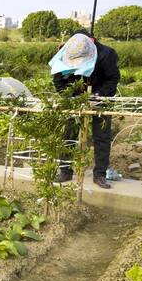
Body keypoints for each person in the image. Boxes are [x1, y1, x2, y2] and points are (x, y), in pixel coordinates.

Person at [50, 30, 120, 189]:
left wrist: (98, 95)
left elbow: (113, 79)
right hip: (75, 97)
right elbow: (59, 81)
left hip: (100, 97)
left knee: (101, 135)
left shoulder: (106, 55)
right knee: (69, 133)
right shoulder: (63, 53)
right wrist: (69, 97)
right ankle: (65, 170)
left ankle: (100, 174)